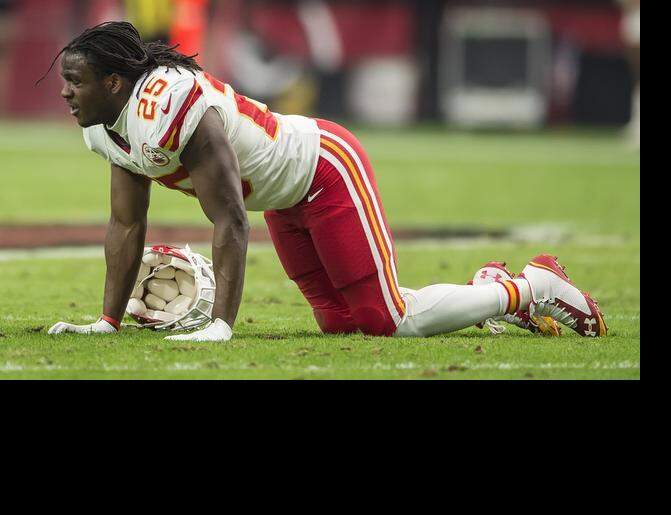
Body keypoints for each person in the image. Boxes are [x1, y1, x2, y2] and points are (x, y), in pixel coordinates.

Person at [43, 22, 605, 342]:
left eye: (76, 81)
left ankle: (533, 286)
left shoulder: (169, 105)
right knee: (344, 325)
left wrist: (221, 326)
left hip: (323, 169)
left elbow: (230, 219)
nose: (65, 93)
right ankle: (489, 291)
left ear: (116, 82)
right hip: (283, 200)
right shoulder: (106, 129)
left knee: (389, 321)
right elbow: (126, 222)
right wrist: (107, 321)